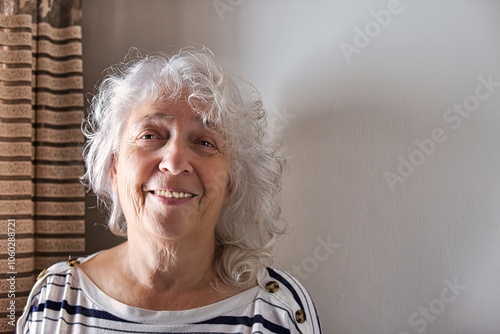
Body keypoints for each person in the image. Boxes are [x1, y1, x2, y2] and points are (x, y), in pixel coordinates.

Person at [17, 47, 322, 333]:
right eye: (150, 135)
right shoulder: (56, 300)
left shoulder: (276, 312)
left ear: (231, 182)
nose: (175, 162)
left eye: (205, 142)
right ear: (114, 168)